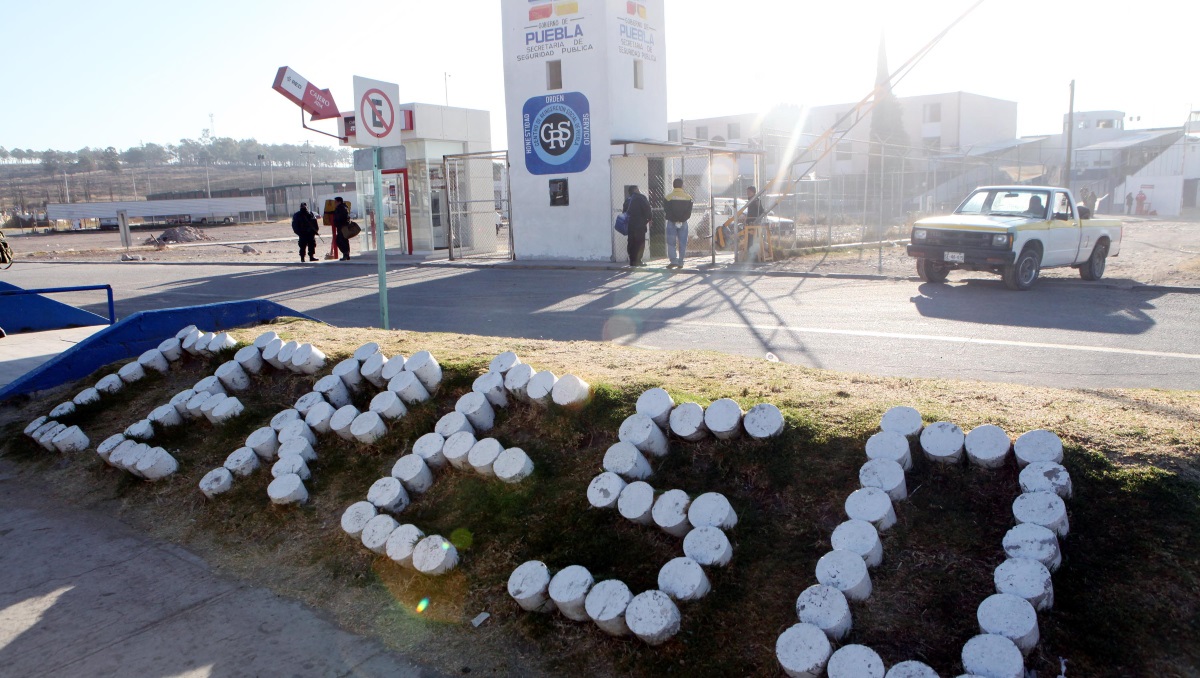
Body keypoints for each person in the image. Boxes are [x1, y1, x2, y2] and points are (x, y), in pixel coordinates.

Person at [663, 178, 694, 269]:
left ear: (673, 185)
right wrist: (681, 219)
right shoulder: (688, 197)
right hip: (683, 223)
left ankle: (673, 261)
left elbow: (667, 211)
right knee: (683, 242)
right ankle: (680, 262)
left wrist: (674, 219)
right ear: (682, 186)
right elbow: (688, 212)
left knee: (671, 243)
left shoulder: (668, 197)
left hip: (671, 222)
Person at [622, 185, 651, 267]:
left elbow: (624, 212)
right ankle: (638, 260)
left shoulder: (627, 200)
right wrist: (649, 218)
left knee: (631, 242)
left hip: (630, 225)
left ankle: (632, 261)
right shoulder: (641, 198)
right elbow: (647, 209)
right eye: (638, 189)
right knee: (640, 242)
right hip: (640, 224)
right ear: (636, 190)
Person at [332, 196, 351, 261]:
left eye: (336, 202)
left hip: (342, 227)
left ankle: (345, 254)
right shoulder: (342, 208)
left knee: (340, 241)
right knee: (343, 240)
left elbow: (342, 218)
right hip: (341, 227)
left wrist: (337, 223)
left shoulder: (341, 208)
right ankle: (346, 254)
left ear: (339, 202)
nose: (335, 203)